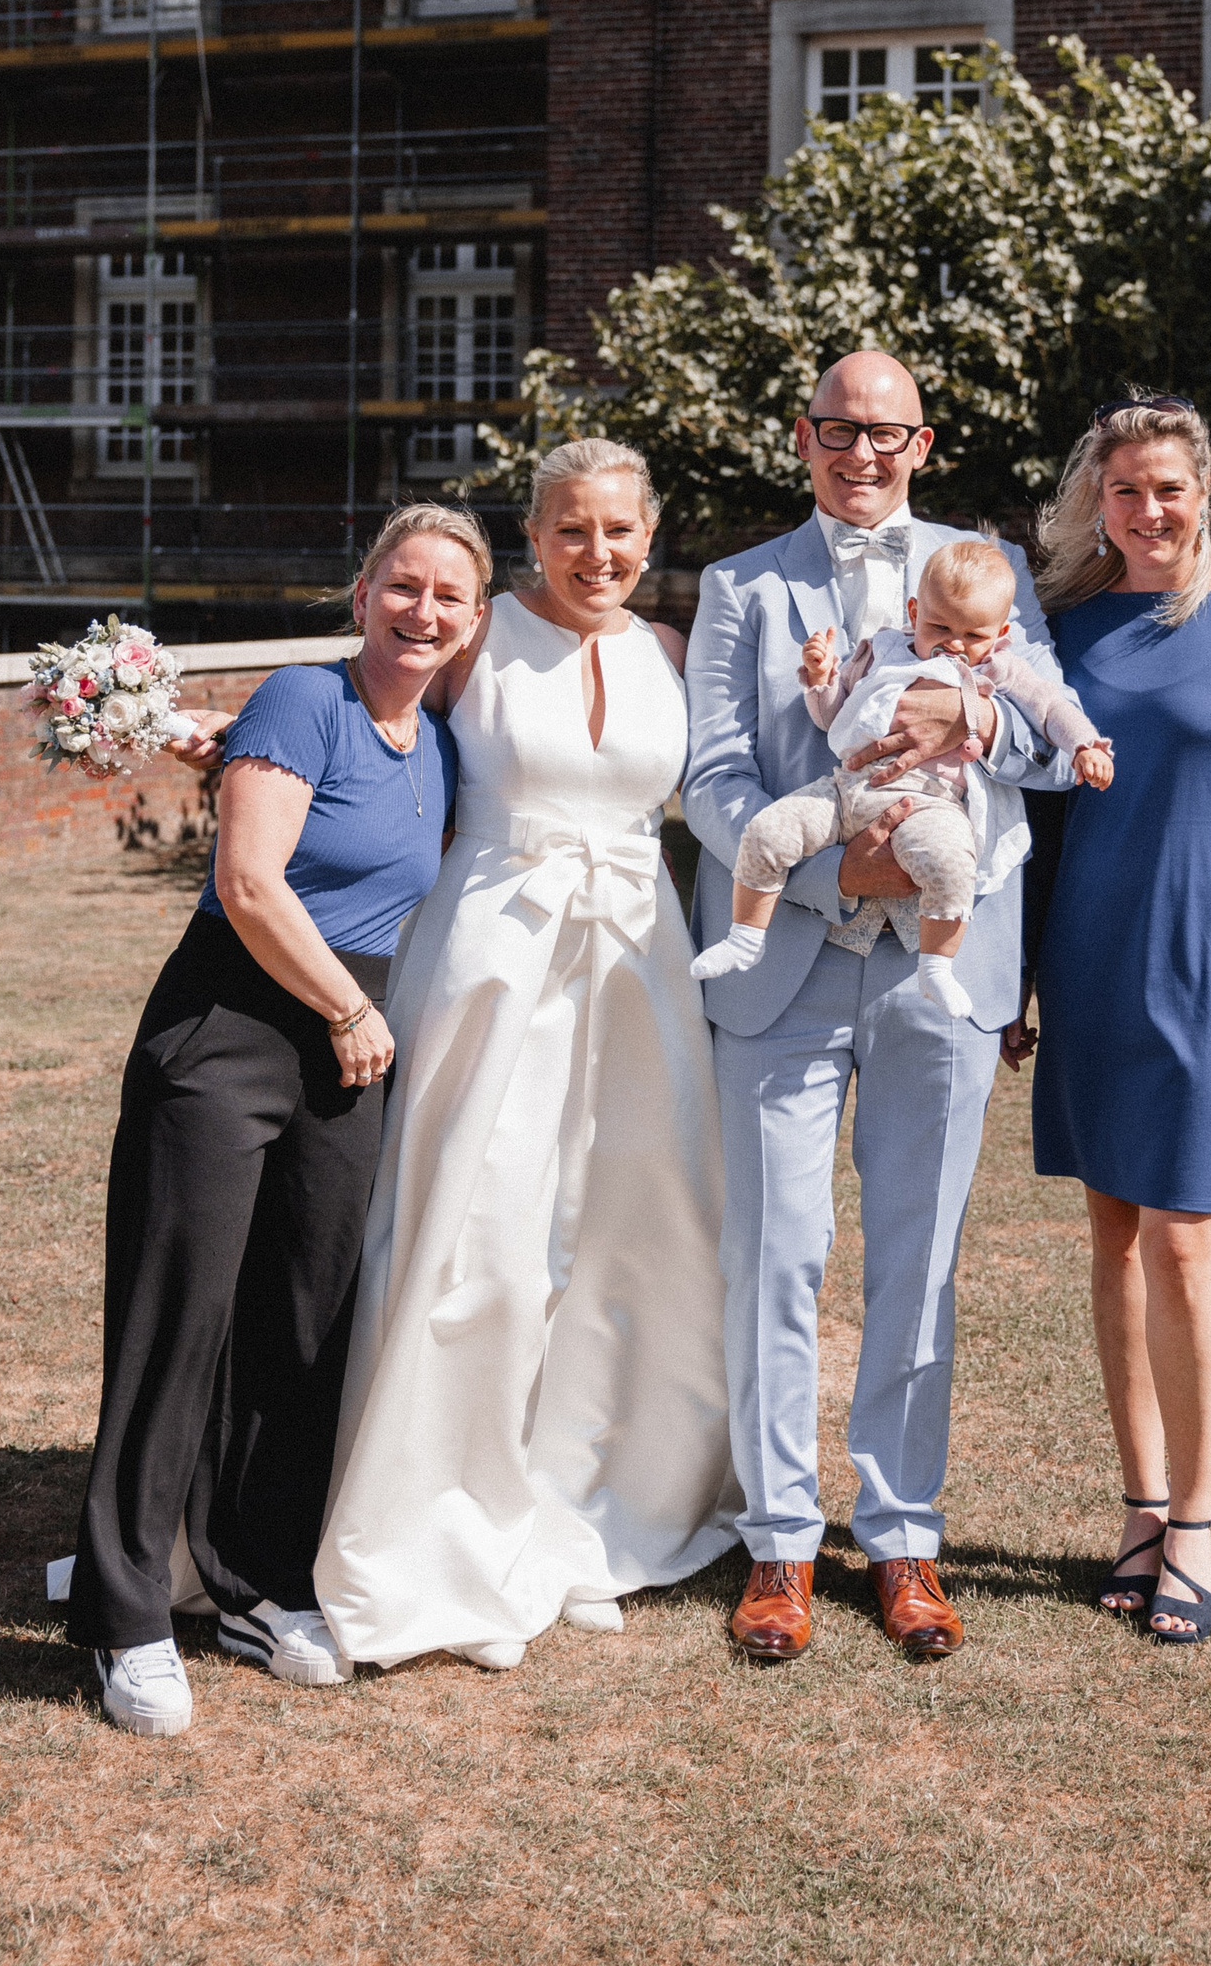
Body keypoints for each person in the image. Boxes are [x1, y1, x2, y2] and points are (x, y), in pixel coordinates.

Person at [63, 504, 486, 1737]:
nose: (421, 612)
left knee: (304, 1320)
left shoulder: (439, 744)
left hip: (347, 1048)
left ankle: (254, 1583)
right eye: (401, 586)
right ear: (361, 596)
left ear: (472, 624)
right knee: (175, 1318)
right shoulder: (305, 698)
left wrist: (359, 1021)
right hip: (233, 1025)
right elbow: (248, 884)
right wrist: (348, 1008)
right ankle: (127, 1614)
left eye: (448, 597)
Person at [315, 439, 737, 1672]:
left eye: (619, 530)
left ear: (649, 535)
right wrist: (244, 752)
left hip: (640, 965)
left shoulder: (672, 652)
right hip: (493, 959)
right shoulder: (475, 637)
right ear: (535, 535)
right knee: (478, 1229)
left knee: (633, 1228)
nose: (596, 552)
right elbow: (365, 720)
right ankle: (444, 1516)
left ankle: (598, 1510)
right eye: (570, 529)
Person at [683, 351, 1070, 1664]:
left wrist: (974, 715)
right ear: (803, 438)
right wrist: (825, 873)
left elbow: (1046, 737)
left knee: (920, 1258)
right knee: (776, 1256)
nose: (862, 452)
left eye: (886, 432)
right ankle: (781, 1542)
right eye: (838, 430)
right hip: (785, 962)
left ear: (923, 443)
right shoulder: (739, 587)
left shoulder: (987, 569)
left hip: (939, 969)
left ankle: (903, 1536)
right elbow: (713, 775)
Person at [1007, 395, 1211, 1645]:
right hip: (1089, 959)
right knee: (1109, 1234)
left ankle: (1197, 1520)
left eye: (1168, 488)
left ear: (1204, 493)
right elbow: (1037, 825)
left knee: (1184, 1240)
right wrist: (1016, 977)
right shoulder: (1065, 628)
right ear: (1098, 501)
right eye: (1126, 490)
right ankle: (1141, 1506)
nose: (1148, 510)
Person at [693, 537, 1111, 1017]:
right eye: (940, 627)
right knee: (769, 830)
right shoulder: (883, 650)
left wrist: (1084, 744)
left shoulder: (1001, 669)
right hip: (846, 790)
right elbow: (833, 719)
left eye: (973, 635)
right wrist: (821, 680)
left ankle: (937, 966)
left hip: (930, 803)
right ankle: (745, 937)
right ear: (914, 612)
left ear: (1000, 635)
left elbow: (1052, 710)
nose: (955, 644)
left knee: (951, 865)